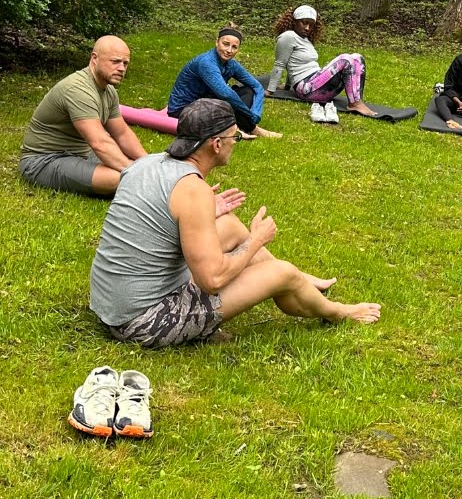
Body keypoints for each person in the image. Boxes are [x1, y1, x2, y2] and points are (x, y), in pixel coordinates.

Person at [88, 99, 382, 348]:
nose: (235, 144)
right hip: (142, 322)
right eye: (235, 138)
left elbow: (155, 214)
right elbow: (211, 280)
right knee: (282, 272)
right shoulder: (192, 189)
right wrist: (257, 240)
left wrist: (205, 213)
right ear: (216, 144)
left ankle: (301, 282)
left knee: (228, 225)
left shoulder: (147, 163)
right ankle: (337, 312)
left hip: (111, 303)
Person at [19, 36, 147, 197]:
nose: (121, 68)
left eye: (125, 63)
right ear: (94, 58)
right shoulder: (77, 89)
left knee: (132, 165)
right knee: (120, 178)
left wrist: (148, 163)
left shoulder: (109, 92)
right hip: (44, 161)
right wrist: (139, 174)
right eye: (115, 61)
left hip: (81, 155)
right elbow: (99, 142)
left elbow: (122, 133)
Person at [265, 5, 375, 121]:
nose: (307, 28)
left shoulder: (306, 40)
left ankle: (357, 101)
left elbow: (293, 62)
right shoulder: (287, 37)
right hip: (306, 88)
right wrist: (270, 90)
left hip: (317, 84)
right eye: (304, 23)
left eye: (311, 25)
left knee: (357, 58)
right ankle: (355, 104)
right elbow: (280, 63)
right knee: (345, 59)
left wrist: (287, 86)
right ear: (294, 22)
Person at [168, 27, 280, 139]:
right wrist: (249, 115)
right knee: (229, 100)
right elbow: (225, 94)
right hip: (184, 110)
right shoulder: (206, 63)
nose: (229, 50)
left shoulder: (231, 64)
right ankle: (247, 129)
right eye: (225, 44)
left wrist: (256, 113)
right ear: (217, 42)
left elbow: (257, 87)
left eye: (234, 47)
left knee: (247, 91)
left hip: (207, 102)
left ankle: (242, 127)